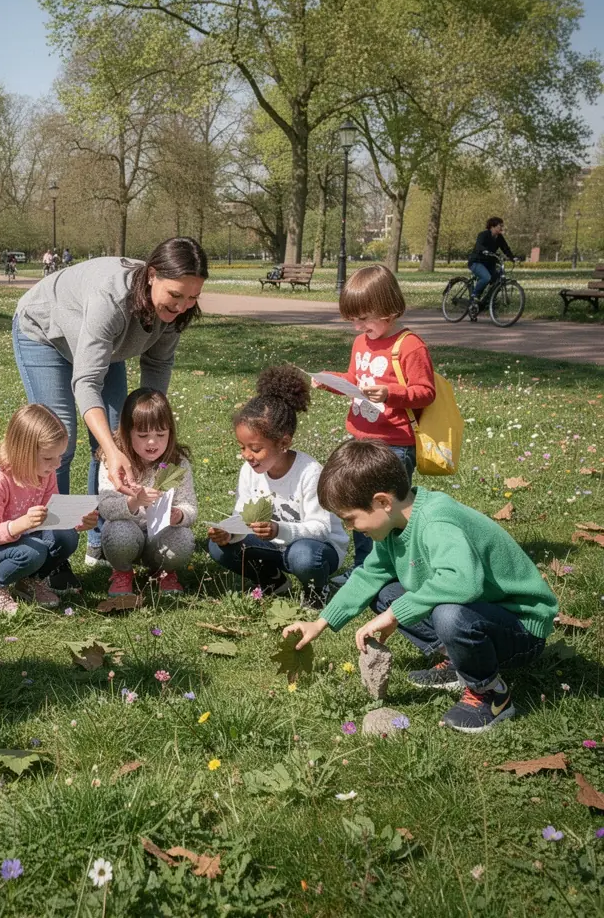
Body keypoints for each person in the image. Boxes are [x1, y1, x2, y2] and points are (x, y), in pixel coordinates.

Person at [281, 440, 558, 733]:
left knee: (449, 614)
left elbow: (463, 582)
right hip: (482, 614)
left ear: (382, 502)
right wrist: (319, 623)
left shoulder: (435, 520)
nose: (351, 529)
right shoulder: (393, 525)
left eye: (351, 519)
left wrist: (395, 615)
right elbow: (368, 576)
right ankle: (458, 661)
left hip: (520, 627)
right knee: (386, 594)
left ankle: (490, 693)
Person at [12, 237, 208, 566]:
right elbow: (87, 381)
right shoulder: (111, 299)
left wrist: (146, 427)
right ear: (152, 276)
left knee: (119, 436)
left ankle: (100, 542)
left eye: (192, 298)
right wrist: (113, 450)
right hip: (47, 331)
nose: (181, 306)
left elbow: (157, 367)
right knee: (62, 441)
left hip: (107, 346)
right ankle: (52, 553)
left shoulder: (177, 312)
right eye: (175, 295)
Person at [313, 264, 434, 575]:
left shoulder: (409, 346)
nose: (357, 327)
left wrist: (390, 393)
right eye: (352, 320)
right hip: (362, 440)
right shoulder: (361, 343)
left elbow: (425, 392)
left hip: (394, 444)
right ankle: (365, 568)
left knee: (386, 511)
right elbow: (355, 379)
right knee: (361, 509)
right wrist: (329, 380)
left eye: (363, 318)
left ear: (388, 309)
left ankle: (396, 568)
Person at [207, 366, 347, 601]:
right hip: (272, 546)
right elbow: (242, 516)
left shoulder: (310, 473)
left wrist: (278, 529)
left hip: (316, 549)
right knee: (217, 548)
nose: (246, 455)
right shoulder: (249, 471)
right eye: (242, 447)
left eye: (256, 449)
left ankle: (315, 590)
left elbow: (321, 530)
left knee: (303, 556)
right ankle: (272, 580)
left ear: (283, 443)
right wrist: (229, 533)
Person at [0, 405, 98, 613]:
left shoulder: (44, 473)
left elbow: (52, 515)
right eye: (49, 458)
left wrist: (78, 521)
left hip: (21, 536)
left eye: (60, 456)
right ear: (23, 452)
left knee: (67, 537)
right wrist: (21, 524)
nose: (57, 464)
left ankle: (28, 582)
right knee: (34, 552)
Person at [98, 388, 197, 596]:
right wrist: (134, 501)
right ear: (127, 432)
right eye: (143, 435)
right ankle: (123, 572)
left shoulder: (177, 463)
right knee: (117, 531)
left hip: (160, 536)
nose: (152, 442)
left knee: (184, 536)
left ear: (171, 432)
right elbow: (106, 508)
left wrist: (178, 515)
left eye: (161, 434)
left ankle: (165, 572)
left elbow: (190, 507)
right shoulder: (115, 461)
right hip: (127, 534)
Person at [467, 217, 515, 310]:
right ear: (492, 227)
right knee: (486, 278)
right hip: (477, 262)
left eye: (502, 226)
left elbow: (505, 248)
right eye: (500, 226)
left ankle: (489, 300)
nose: (502, 228)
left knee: (498, 280)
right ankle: (474, 296)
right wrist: (485, 250)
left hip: (489, 264)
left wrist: (512, 257)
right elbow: (478, 245)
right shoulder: (483, 234)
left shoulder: (499, 237)